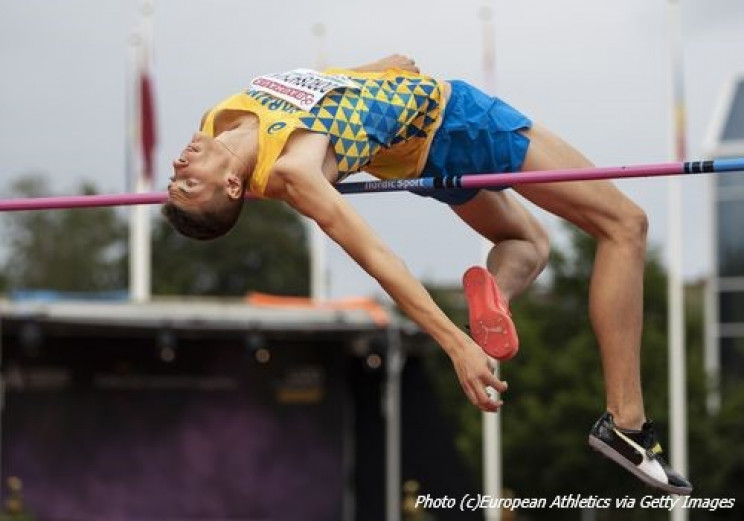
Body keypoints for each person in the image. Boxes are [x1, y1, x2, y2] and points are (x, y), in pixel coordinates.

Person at [163, 54, 692, 495]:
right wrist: (456, 343)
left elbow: (321, 94)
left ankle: (498, 294)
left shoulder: (218, 119)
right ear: (234, 189)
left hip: (418, 152)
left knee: (526, 244)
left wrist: (375, 69)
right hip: (457, 120)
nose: (177, 171)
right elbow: (377, 256)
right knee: (624, 225)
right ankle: (626, 424)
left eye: (174, 181)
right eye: (188, 187)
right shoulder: (294, 172)